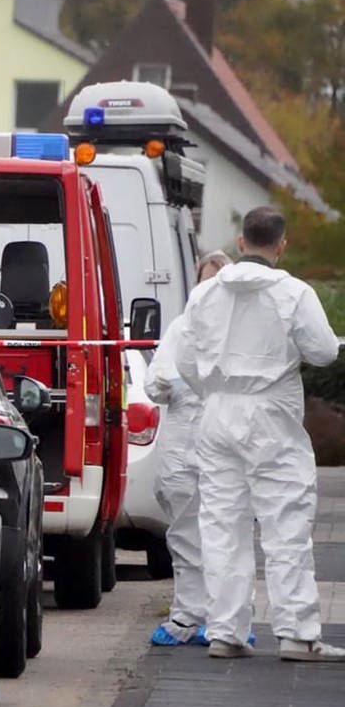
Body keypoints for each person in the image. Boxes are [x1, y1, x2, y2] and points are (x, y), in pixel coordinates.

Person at [177, 207, 343, 661]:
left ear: (241, 243)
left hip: (217, 413)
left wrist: (213, 391)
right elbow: (325, 352)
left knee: (222, 525)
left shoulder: (205, 295)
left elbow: (186, 361)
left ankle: (226, 631)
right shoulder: (294, 293)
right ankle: (296, 634)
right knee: (285, 522)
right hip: (271, 414)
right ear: (281, 245)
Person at [146, 250, 232, 646]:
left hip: (225, 447)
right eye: (206, 281)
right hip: (183, 448)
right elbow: (154, 381)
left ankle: (224, 621)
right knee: (184, 537)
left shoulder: (241, 332)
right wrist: (180, 385)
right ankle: (186, 617)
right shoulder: (183, 328)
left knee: (225, 538)